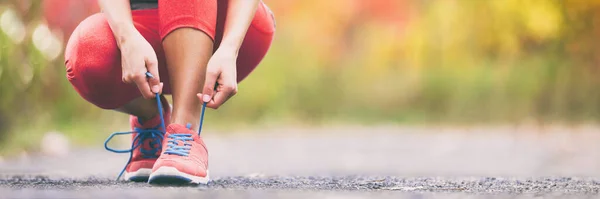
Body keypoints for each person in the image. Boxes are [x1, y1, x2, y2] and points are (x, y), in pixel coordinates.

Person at [64, 0, 275, 184]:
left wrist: (230, 48)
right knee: (86, 53)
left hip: (226, 25)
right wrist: (126, 37)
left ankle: (184, 132)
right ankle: (153, 118)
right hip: (141, 22)